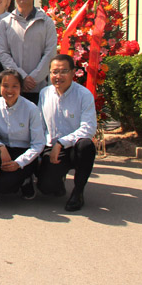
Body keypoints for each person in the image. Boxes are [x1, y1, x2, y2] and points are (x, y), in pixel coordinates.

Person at [36, 55, 97, 212]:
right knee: (46, 188)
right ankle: (58, 180)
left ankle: (78, 192)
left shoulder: (84, 95)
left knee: (86, 145)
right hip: (52, 148)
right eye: (54, 72)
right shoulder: (45, 93)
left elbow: (89, 128)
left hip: (75, 147)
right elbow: (40, 125)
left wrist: (62, 142)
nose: (58, 76)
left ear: (73, 72)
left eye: (64, 71)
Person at [0, 69, 45, 202]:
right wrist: (0, 147)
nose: (10, 90)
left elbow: (38, 144)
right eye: (5, 85)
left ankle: (26, 180)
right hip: (5, 150)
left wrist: (19, 163)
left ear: (21, 87)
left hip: (25, 153)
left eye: (15, 86)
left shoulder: (31, 109)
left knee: (5, 188)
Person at [0, 0, 57, 105]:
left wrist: (34, 78)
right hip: (13, 87)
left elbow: (50, 53)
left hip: (40, 86)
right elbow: (3, 53)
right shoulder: (5, 23)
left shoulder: (46, 22)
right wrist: (21, 77)